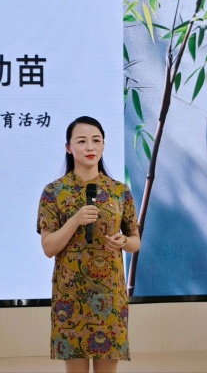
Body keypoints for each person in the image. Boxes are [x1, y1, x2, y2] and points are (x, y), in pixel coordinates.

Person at [37, 116, 141, 373]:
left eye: (96, 140)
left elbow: (135, 242)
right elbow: (49, 248)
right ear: (69, 147)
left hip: (110, 295)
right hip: (71, 296)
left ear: (104, 145)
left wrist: (124, 241)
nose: (90, 147)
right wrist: (74, 220)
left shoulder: (120, 191)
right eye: (82, 141)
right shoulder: (53, 192)